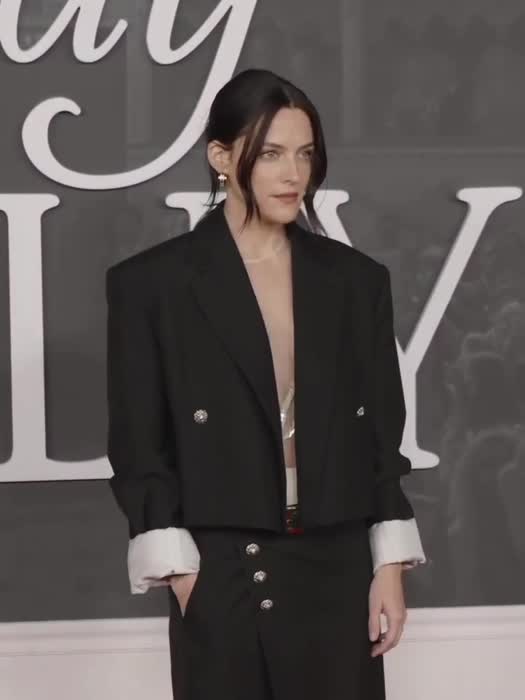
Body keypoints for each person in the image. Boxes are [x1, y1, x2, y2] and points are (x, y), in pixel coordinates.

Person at [105, 68, 427, 700]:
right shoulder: (153, 285)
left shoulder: (356, 281)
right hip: (224, 568)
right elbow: (139, 443)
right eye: (272, 153)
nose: (293, 174)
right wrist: (184, 577)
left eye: (305, 154)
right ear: (222, 157)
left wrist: (388, 564)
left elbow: (380, 436)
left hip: (336, 563)